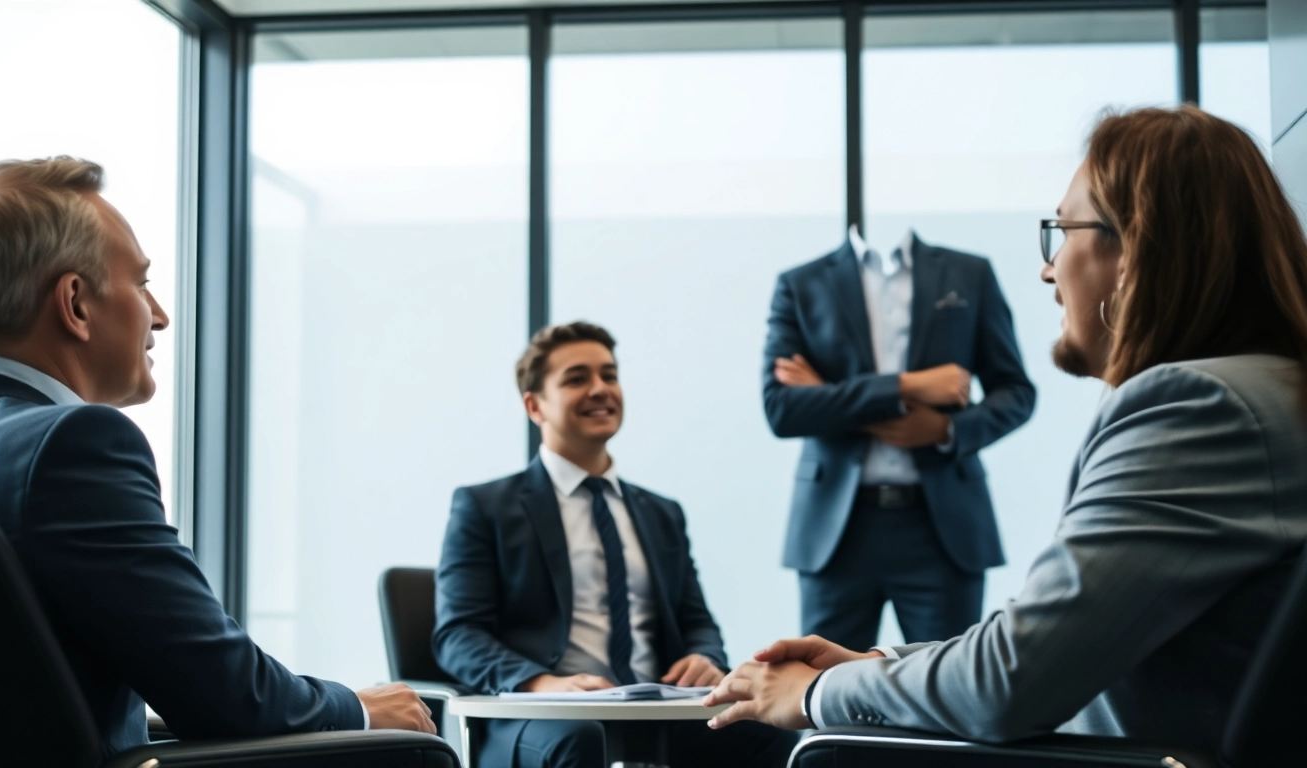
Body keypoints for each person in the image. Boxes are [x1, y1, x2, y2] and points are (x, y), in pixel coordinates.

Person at [705, 105, 1307, 751]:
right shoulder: (1267, 392)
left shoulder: (1193, 409)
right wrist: (878, 666)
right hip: (838, 531)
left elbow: (1007, 681)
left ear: (1132, 250)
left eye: (1061, 232)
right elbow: (1043, 646)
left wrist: (814, 694)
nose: (1048, 270)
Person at [0, 157, 435, 757]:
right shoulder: (73, 446)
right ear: (76, 304)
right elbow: (228, 696)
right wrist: (358, 708)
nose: (158, 314)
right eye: (140, 283)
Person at [433, 322, 796, 768]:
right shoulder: (483, 506)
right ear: (534, 406)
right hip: (537, 717)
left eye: (609, 375)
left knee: (765, 728)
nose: (600, 389)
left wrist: (704, 656)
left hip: (652, 710)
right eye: (576, 378)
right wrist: (540, 682)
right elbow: (458, 635)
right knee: (582, 738)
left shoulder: (661, 513)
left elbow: (695, 618)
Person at [762, 223, 1035, 650]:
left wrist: (947, 429)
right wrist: (908, 386)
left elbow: (1017, 392)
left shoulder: (970, 273)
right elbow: (782, 409)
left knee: (951, 696)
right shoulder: (801, 283)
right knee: (822, 695)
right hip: (835, 533)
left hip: (942, 528)